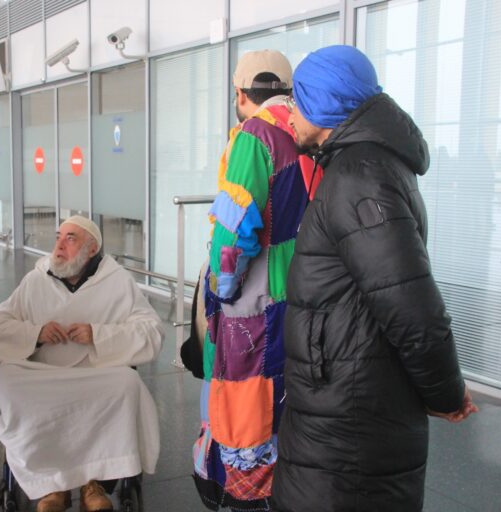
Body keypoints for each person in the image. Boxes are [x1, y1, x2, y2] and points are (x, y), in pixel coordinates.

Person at [271, 45, 478, 512]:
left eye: (298, 101)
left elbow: (412, 307)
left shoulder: (359, 176)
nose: (289, 114)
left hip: (349, 420)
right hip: (345, 401)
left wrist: (446, 392)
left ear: (325, 102)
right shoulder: (362, 166)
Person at [191, 50, 321, 511]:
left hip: (252, 307)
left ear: (240, 93)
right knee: (285, 404)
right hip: (304, 298)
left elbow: (233, 230)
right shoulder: (312, 133)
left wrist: (220, 290)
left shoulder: (255, 135)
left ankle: (243, 496)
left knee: (244, 412)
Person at [0, 216, 164, 512]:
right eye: (58, 237)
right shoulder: (36, 280)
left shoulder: (117, 281)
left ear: (91, 249)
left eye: (70, 238)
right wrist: (35, 334)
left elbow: (152, 331)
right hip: (43, 374)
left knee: (128, 383)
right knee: (7, 378)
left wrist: (98, 335)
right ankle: (54, 484)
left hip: (95, 373)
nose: (59, 246)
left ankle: (93, 483)